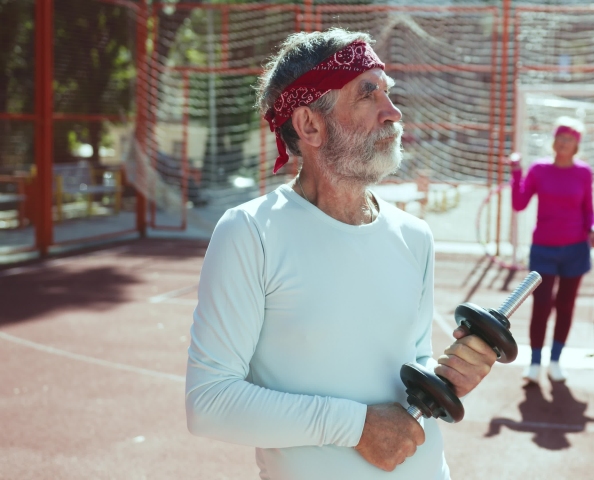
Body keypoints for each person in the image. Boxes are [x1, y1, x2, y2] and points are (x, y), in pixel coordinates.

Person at [184, 29, 497, 480]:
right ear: (309, 125)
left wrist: (449, 376)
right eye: (368, 95)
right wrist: (357, 427)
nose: (393, 112)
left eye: (387, 93)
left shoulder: (415, 236)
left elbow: (410, 363)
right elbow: (209, 402)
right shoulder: (251, 232)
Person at [509, 116, 594, 385]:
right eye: (560, 138)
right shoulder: (539, 170)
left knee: (566, 306)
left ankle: (555, 361)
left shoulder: (584, 172)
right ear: (553, 141)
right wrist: (516, 171)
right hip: (544, 249)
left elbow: (588, 210)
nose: (564, 143)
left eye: (570, 140)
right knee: (541, 306)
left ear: (577, 145)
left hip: (576, 250)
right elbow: (519, 203)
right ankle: (534, 363)